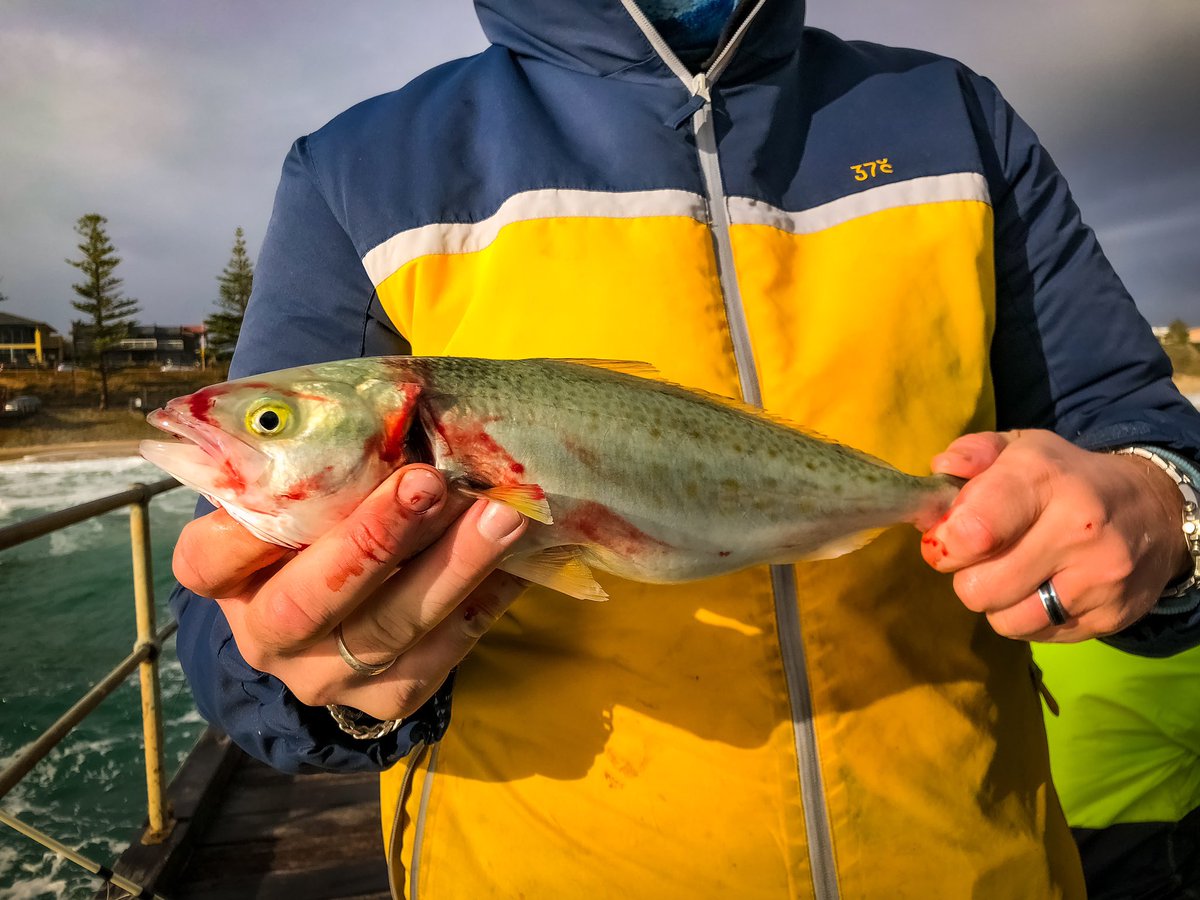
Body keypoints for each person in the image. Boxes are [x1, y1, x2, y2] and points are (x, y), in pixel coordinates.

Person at [168, 1, 1200, 896]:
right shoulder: (361, 168)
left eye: (267, 420)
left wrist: (1160, 509)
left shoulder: (956, 116)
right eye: (272, 421)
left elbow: (1133, 426)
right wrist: (303, 671)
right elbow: (231, 625)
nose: (247, 433)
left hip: (976, 865)